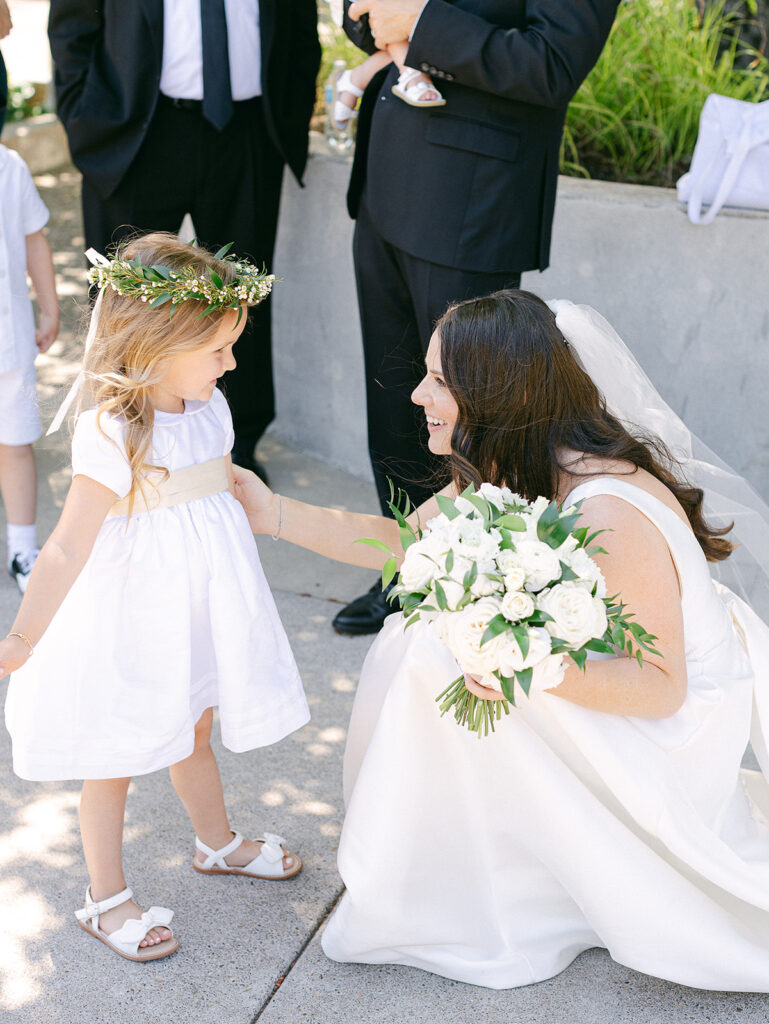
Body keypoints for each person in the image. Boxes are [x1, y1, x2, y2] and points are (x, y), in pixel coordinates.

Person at [231, 289, 769, 991]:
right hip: (616, 685)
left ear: (494, 393)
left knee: (432, 652)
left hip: (676, 730)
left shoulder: (607, 505)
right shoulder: (517, 460)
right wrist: (270, 512)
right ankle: (461, 865)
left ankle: (482, 886)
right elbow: (402, 542)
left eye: (441, 381)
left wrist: (520, 666)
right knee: (420, 634)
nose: (419, 392)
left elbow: (662, 688)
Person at [0, 234, 309, 963]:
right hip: (132, 618)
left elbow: (216, 498)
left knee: (195, 724)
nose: (231, 363)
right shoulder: (111, 432)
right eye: (217, 351)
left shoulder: (210, 408)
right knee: (116, 752)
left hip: (199, 608)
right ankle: (104, 899)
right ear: (158, 343)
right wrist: (22, 637)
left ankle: (216, 842)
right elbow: (70, 546)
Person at [332, 0, 620, 636]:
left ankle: (473, 586)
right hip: (387, 183)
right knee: (394, 401)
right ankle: (406, 570)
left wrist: (422, 19)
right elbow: (372, 24)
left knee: (472, 410)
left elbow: (552, 62)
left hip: (474, 199)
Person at [48, 0, 321, 480]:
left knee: (243, 296)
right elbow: (72, 25)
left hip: (248, 131)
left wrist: (291, 109)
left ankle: (237, 446)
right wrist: (82, 113)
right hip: (136, 128)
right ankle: (121, 440)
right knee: (126, 299)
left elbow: (297, 26)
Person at [0, 136, 60, 591]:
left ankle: (23, 548)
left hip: (9, 337)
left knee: (15, 443)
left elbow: (34, 239)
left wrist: (49, 306)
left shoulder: (9, 165)